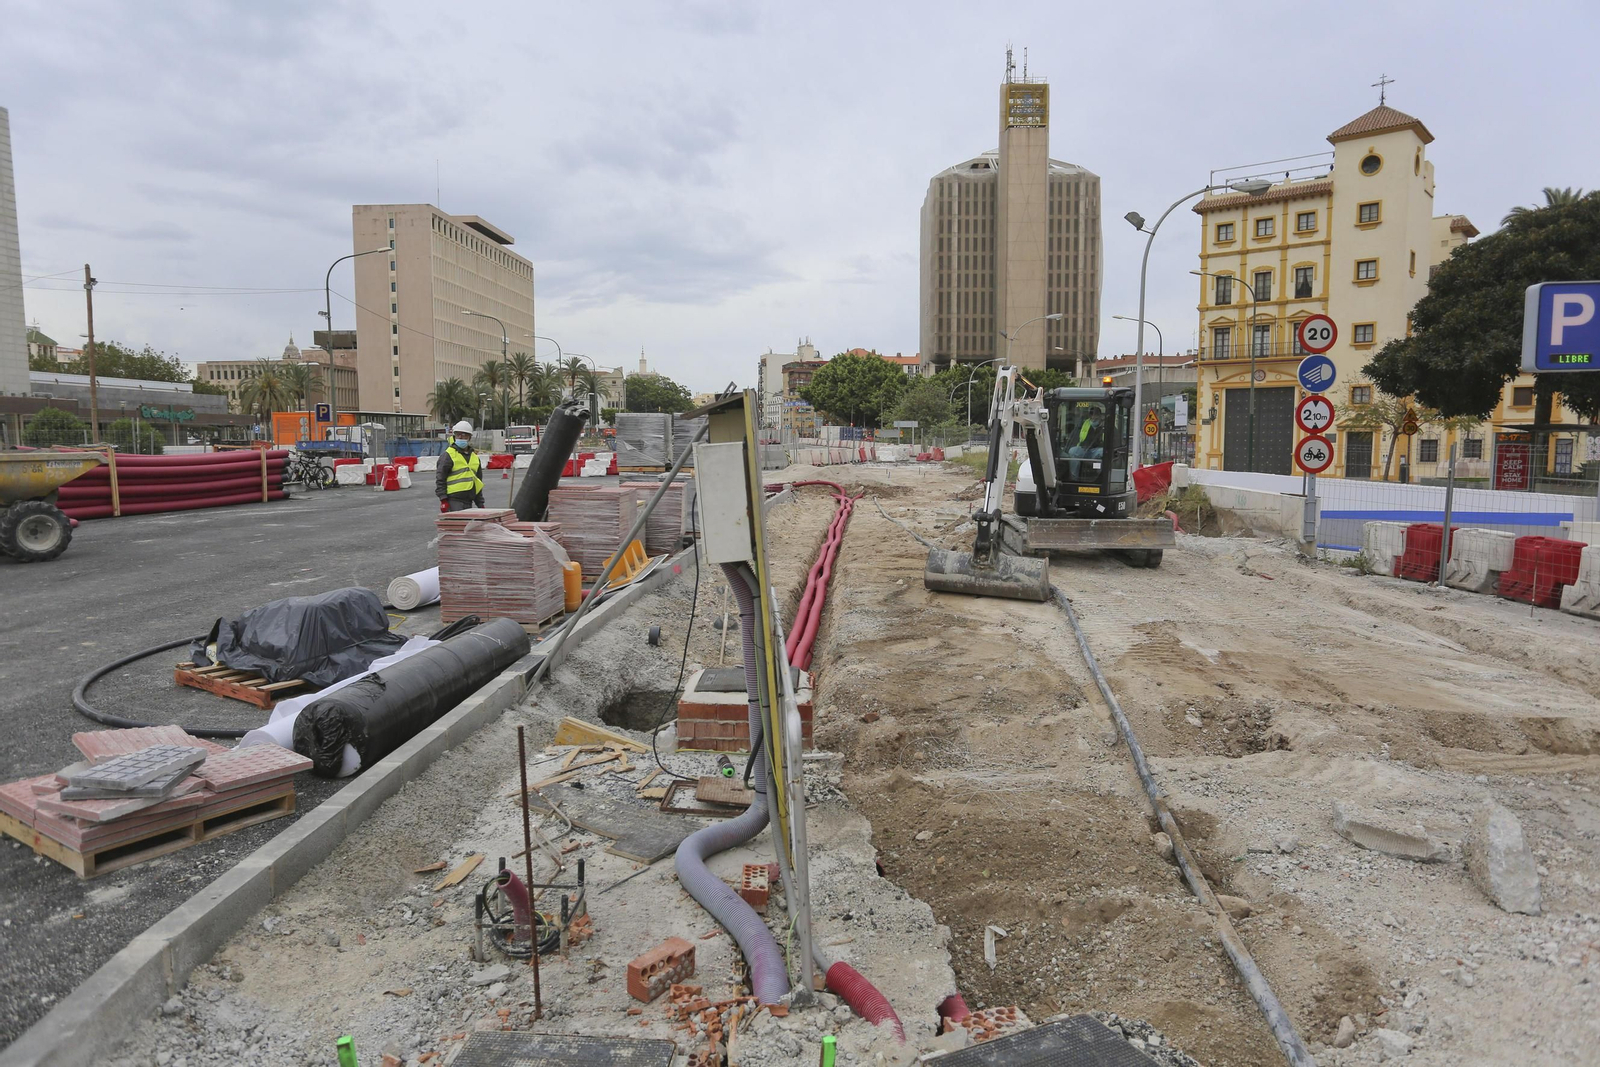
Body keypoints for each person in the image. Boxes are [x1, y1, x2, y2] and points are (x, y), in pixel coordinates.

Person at [435, 420, 486, 512]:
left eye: (464, 435)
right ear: (454, 436)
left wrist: (480, 503)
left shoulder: (475, 458)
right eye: (458, 435)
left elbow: (477, 482)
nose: (461, 437)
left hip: (468, 501)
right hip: (453, 500)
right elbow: (440, 479)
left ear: (469, 437)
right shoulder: (448, 455)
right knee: (458, 525)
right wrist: (443, 500)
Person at [1066, 407, 1104, 480]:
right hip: (1084, 449)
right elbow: (1079, 435)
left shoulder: (1105, 425)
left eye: (1095, 414)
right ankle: (1074, 478)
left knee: (1103, 452)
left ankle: (1099, 478)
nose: (1093, 417)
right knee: (1072, 451)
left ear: (1099, 415)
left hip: (1096, 451)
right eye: (1091, 414)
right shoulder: (1086, 423)